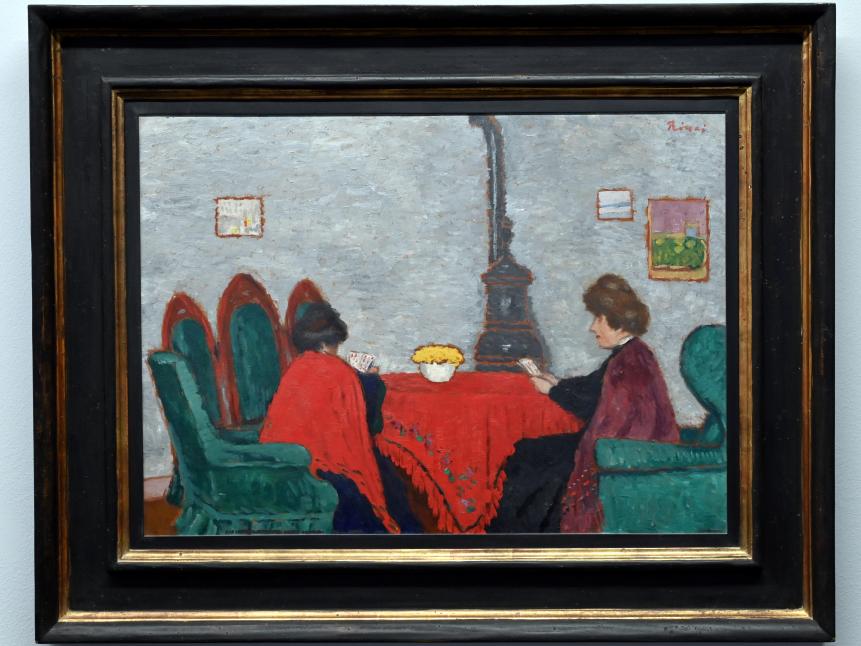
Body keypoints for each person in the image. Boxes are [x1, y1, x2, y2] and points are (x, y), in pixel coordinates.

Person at [530, 274, 678, 532]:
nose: (592, 327)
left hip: (621, 452)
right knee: (534, 453)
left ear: (619, 324)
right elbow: (593, 387)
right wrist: (557, 383)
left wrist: (553, 392)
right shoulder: (630, 353)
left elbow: (596, 408)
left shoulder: (631, 361)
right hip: (618, 446)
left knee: (531, 460)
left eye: (598, 319)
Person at [259, 301, 421, 533]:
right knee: (389, 481)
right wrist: (370, 379)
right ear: (329, 342)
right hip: (325, 469)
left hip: (285, 463)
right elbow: (367, 424)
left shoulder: (297, 368)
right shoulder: (339, 372)